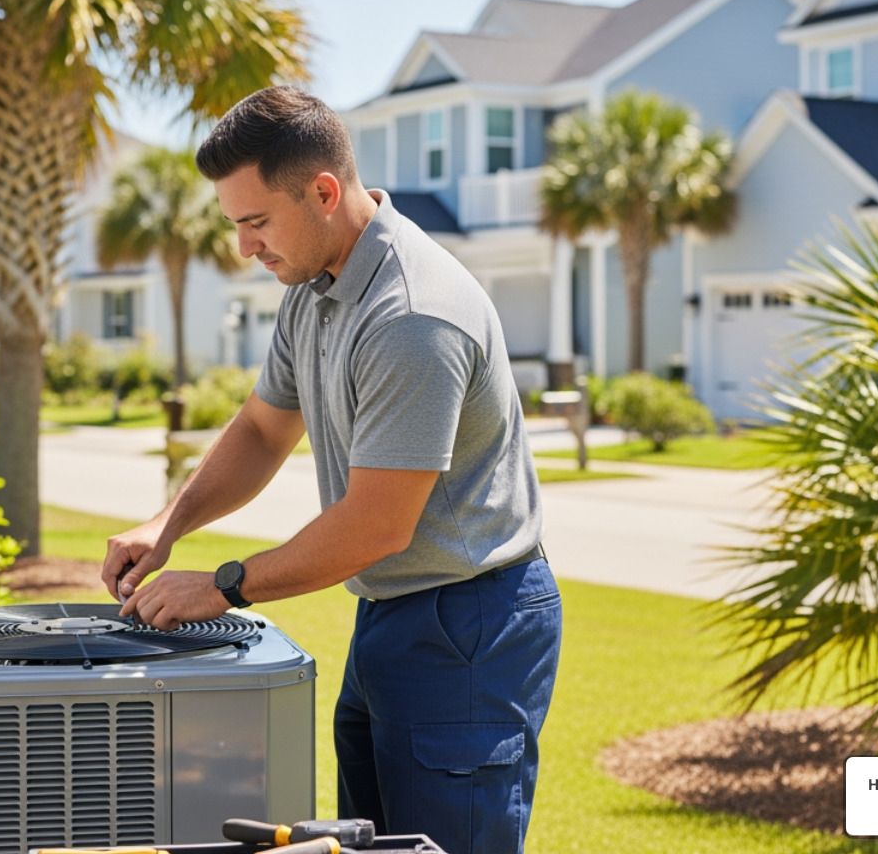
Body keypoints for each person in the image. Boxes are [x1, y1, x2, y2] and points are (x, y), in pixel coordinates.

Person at [100, 85, 561, 854]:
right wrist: (166, 525)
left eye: (255, 222)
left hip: (469, 626)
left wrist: (221, 586)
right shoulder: (314, 286)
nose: (245, 247)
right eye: (236, 224)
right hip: (392, 613)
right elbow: (260, 429)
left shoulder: (412, 313)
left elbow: (378, 524)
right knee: (372, 845)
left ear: (322, 192)